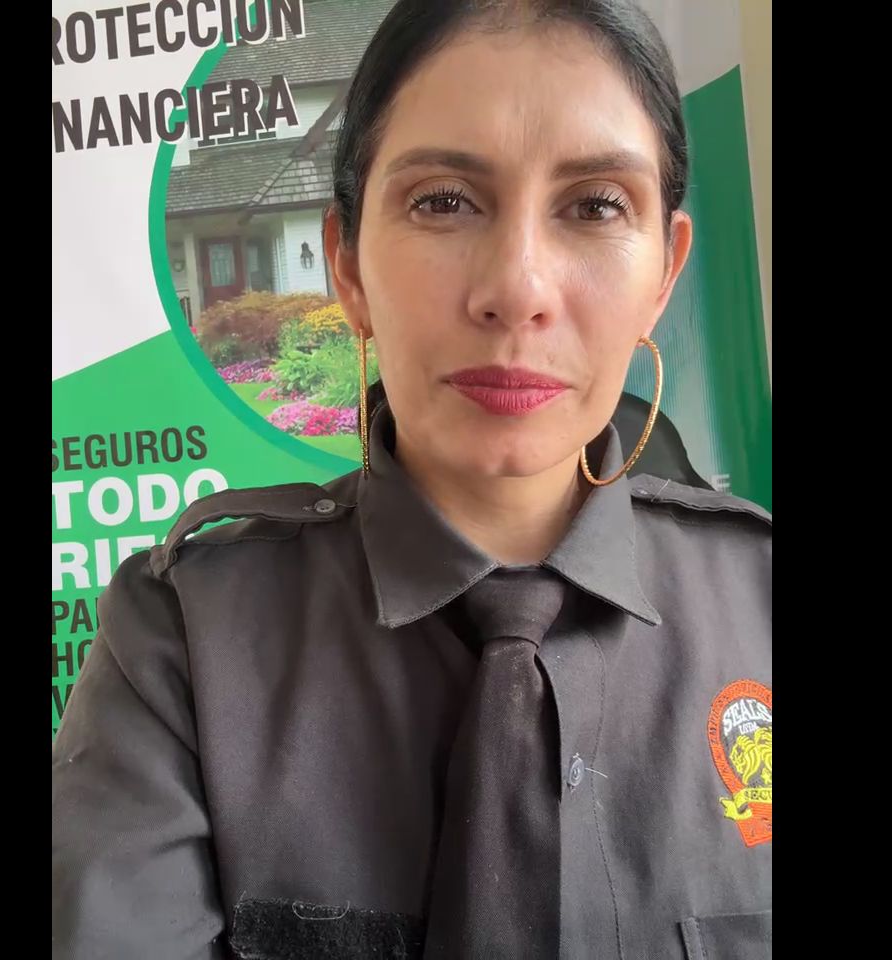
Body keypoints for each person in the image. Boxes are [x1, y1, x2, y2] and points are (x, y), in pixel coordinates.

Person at [52, 2, 771, 958]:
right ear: (348, 265)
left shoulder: (760, 598)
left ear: (664, 275)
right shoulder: (180, 641)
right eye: (443, 201)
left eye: (597, 205)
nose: (517, 289)